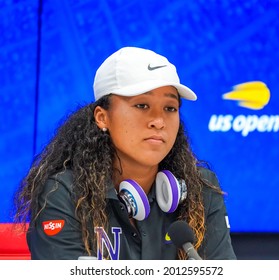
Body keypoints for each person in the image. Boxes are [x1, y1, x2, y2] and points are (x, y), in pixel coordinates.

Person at [13, 46, 236, 260]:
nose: (159, 121)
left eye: (170, 108)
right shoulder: (64, 192)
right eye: (141, 105)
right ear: (102, 117)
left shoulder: (201, 187)